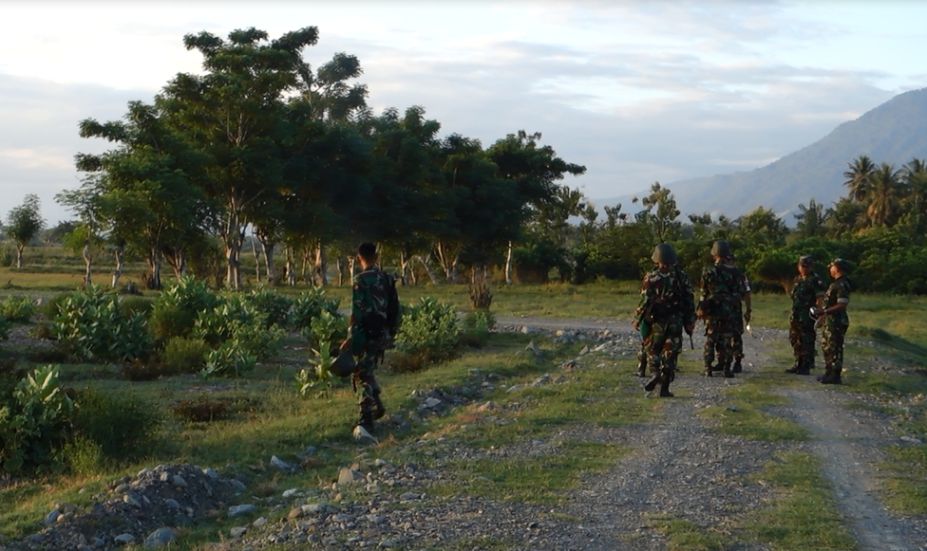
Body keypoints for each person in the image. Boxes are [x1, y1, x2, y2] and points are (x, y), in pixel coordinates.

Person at [340, 242, 398, 440]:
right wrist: (391, 333)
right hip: (382, 332)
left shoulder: (359, 280)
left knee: (361, 374)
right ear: (377, 256)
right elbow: (394, 309)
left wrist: (350, 338)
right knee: (367, 368)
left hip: (365, 332)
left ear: (359, 258)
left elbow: (357, 312)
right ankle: (378, 406)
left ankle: (366, 419)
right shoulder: (387, 279)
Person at [633, 243, 695, 397]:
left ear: (656, 259)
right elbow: (689, 299)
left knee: (653, 349)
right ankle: (665, 388)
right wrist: (690, 320)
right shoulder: (682, 276)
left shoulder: (651, 277)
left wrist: (638, 318)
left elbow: (645, 300)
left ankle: (654, 373)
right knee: (671, 352)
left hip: (656, 321)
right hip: (676, 320)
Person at [698, 240, 748, 378]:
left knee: (710, 339)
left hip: (713, 311)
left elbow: (703, 293)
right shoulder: (736, 272)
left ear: (714, 254)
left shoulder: (708, 271)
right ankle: (727, 368)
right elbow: (742, 293)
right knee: (727, 340)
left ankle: (708, 368)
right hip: (730, 311)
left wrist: (701, 309)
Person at [786, 255, 826, 375]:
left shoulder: (815, 279)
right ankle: (798, 362)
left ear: (811, 267)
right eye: (802, 266)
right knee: (795, 338)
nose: (804, 268)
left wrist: (820, 314)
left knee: (807, 339)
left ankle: (806, 365)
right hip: (797, 313)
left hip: (808, 314)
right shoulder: (798, 279)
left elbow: (820, 298)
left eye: (806, 266)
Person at [815, 258, 852, 384]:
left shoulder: (841, 284)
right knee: (828, 346)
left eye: (832, 267)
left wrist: (825, 312)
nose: (830, 269)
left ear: (836, 268)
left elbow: (842, 304)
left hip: (836, 320)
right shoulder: (835, 283)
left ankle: (835, 375)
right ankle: (829, 372)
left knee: (835, 347)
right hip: (830, 320)